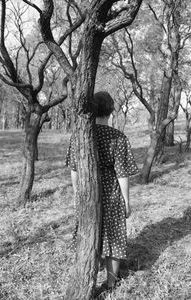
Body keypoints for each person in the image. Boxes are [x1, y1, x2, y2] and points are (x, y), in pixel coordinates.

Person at [65, 91, 139, 293]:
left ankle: (90, 272)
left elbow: (74, 170)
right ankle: (111, 283)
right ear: (111, 110)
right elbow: (123, 174)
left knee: (90, 232)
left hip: (88, 193)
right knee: (114, 236)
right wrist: (126, 201)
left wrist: (77, 194)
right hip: (112, 194)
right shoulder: (119, 137)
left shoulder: (80, 136)